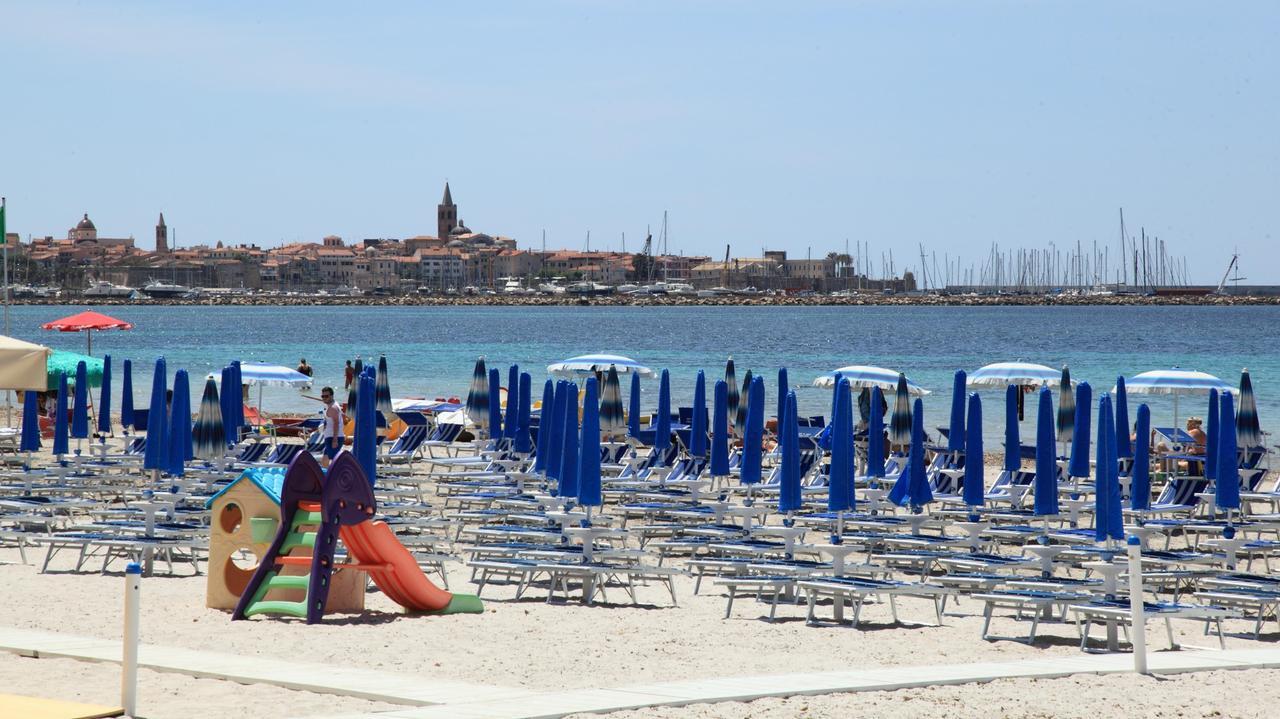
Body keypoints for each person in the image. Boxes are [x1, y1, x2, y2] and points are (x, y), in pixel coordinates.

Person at [319, 386, 344, 467]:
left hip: (333, 438)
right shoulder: (332, 405)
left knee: (332, 461)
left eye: (326, 396)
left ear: (332, 396)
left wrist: (335, 440)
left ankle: (334, 477)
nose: (324, 398)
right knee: (325, 460)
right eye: (323, 396)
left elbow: (336, 424)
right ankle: (327, 476)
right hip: (330, 437)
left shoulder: (333, 407)